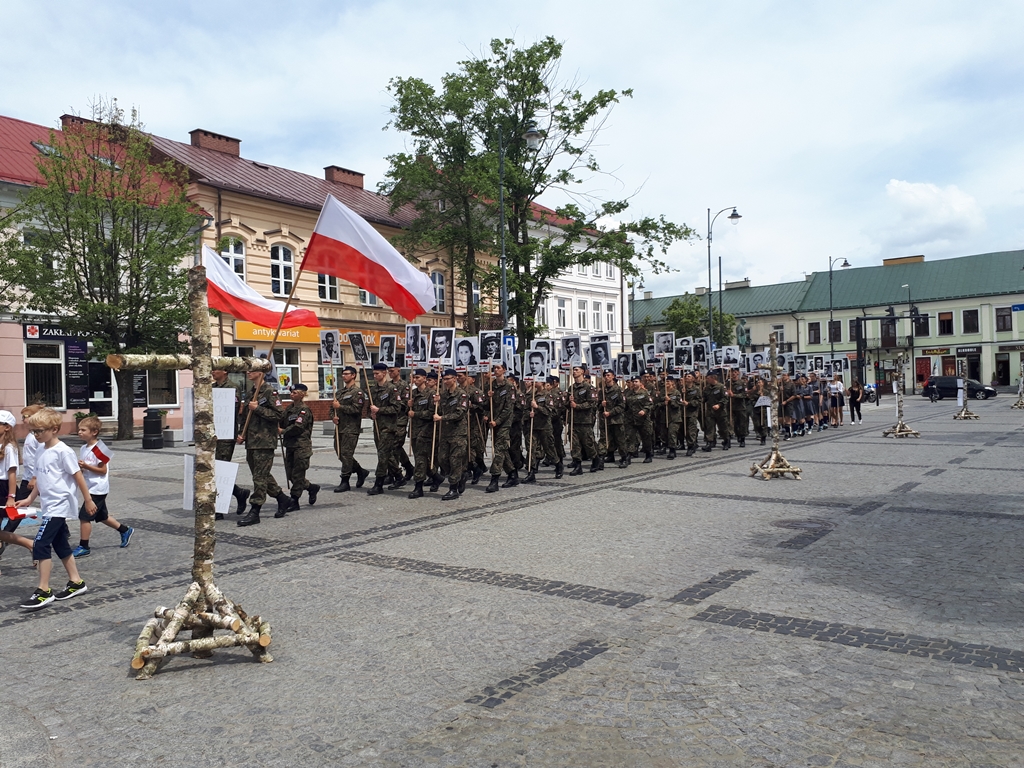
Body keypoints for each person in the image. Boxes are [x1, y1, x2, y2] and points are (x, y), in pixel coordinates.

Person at [16, 408, 94, 609]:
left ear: (55, 429)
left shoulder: (63, 451)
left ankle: (44, 591)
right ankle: (76, 582)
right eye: (33, 431)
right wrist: (29, 499)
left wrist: (88, 500)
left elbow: (78, 476)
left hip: (59, 506)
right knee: (60, 544)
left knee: (41, 544)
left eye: (39, 431)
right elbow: (41, 479)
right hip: (48, 505)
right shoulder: (42, 449)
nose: (36, 435)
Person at [70, 416, 133, 557]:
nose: (79, 432)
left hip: (97, 488)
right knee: (102, 515)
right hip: (89, 486)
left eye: (83, 430)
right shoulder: (83, 447)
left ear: (94, 432)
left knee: (84, 517)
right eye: (79, 429)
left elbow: (103, 470)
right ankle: (124, 530)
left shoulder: (100, 449)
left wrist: (86, 466)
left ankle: (84, 546)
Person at [236, 370, 289, 526]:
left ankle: (255, 509)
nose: (247, 372)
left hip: (265, 441)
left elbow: (280, 415)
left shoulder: (269, 392)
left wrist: (258, 408)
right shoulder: (251, 392)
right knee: (261, 475)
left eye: (251, 370)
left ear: (260, 373)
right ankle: (282, 498)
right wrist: (241, 434)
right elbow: (245, 417)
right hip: (252, 441)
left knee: (259, 477)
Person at [212, 368, 250, 517]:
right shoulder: (212, 388)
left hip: (226, 434)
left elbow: (231, 408)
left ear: (225, 372)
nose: (212, 372)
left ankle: (219, 508)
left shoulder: (232, 387)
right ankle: (239, 493)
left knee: (221, 469)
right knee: (213, 470)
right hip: (212, 434)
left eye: (216, 370)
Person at [0, 410, 34, 561]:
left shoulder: (9, 448)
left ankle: (29, 543)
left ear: (7, 427)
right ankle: (30, 544)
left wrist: (11, 497)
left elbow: (12, 474)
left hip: (3, 487)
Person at [330, 366, 370, 492]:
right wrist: (333, 417)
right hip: (340, 427)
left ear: (353, 375)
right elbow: (332, 408)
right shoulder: (340, 392)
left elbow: (356, 410)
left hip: (351, 428)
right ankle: (360, 471)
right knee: (340, 453)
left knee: (347, 454)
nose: (344, 376)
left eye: (346, 374)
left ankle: (345, 480)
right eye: (343, 374)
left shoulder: (357, 392)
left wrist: (340, 407)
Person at [280, 384, 318, 514]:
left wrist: (283, 431)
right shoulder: (289, 409)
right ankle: (311, 487)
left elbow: (298, 427)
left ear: (302, 394)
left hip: (301, 446)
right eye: (291, 392)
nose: (292, 394)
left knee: (297, 474)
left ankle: (294, 500)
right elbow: (281, 420)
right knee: (290, 474)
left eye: (295, 392)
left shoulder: (304, 410)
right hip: (290, 445)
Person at [366, 362, 402, 496]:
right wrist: (372, 414)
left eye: (377, 373)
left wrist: (380, 410)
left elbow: (397, 408)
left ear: (384, 373)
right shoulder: (372, 390)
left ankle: (378, 484)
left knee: (382, 455)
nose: (375, 376)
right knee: (387, 454)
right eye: (374, 374)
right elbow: (368, 409)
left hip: (388, 427)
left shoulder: (392, 389)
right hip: (377, 427)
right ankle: (398, 476)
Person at [434, 368, 469, 500]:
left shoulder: (462, 394)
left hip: (458, 433)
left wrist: (442, 418)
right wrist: (436, 403)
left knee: (455, 460)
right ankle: (460, 476)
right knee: (443, 459)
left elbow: (460, 413)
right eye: (444, 379)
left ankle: (453, 488)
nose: (446, 381)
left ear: (454, 379)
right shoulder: (443, 395)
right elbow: (440, 410)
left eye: (448, 378)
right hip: (445, 433)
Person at [484, 363, 516, 492]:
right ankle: (513, 473)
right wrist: (488, 397)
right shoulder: (490, 386)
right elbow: (485, 406)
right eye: (494, 368)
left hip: (504, 423)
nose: (496, 370)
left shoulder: (509, 387)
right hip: (493, 422)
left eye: (498, 368)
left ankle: (494, 479)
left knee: (498, 451)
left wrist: (497, 421)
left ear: (504, 370)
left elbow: (508, 408)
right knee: (502, 449)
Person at [568, 364, 601, 474]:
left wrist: (577, 406)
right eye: (573, 370)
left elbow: (592, 403)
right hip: (574, 421)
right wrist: (569, 401)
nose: (574, 372)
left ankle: (595, 459)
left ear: (582, 371)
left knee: (588, 444)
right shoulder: (571, 388)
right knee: (574, 444)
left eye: (576, 370)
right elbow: (566, 405)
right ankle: (578, 465)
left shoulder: (588, 387)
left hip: (585, 421)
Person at [701, 373, 731, 451]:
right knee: (710, 428)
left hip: (720, 412)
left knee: (723, 428)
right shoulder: (707, 388)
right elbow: (704, 398)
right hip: (710, 411)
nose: (706, 380)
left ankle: (726, 441)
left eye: (708, 378)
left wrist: (719, 404)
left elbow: (725, 398)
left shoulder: (721, 387)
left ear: (713, 378)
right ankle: (709, 442)